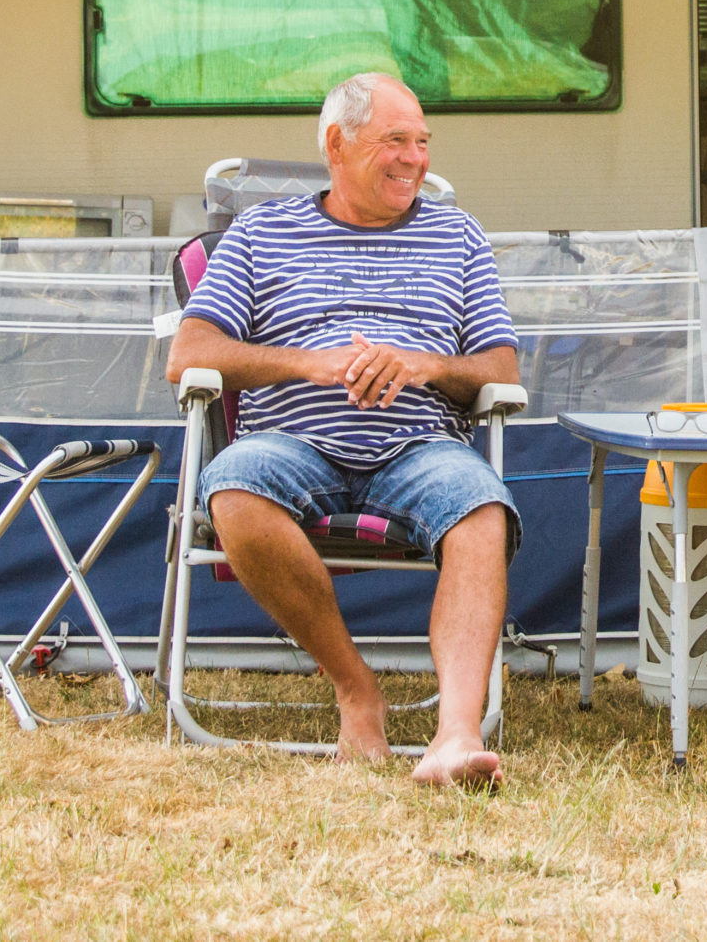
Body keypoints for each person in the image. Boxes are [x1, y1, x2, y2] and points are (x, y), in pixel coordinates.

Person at [166, 71, 519, 786]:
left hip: (420, 446)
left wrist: (423, 366)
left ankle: (455, 737)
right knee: (232, 488)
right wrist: (311, 365)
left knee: (482, 508)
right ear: (337, 142)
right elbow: (190, 355)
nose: (415, 159)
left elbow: (501, 369)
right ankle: (357, 690)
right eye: (396, 140)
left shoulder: (457, 234)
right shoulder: (263, 233)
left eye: (423, 142)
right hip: (292, 443)